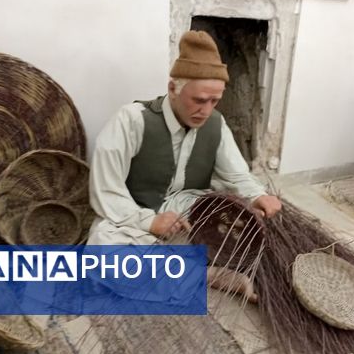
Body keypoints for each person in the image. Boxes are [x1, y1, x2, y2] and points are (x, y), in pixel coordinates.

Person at [88, 30, 282, 300]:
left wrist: (257, 194)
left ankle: (189, 265)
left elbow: (237, 175)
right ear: (173, 89)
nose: (206, 110)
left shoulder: (215, 122)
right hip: (135, 212)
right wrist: (150, 221)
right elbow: (106, 191)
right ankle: (211, 275)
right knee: (103, 254)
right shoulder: (131, 120)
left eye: (215, 101)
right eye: (199, 100)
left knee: (244, 220)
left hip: (189, 208)